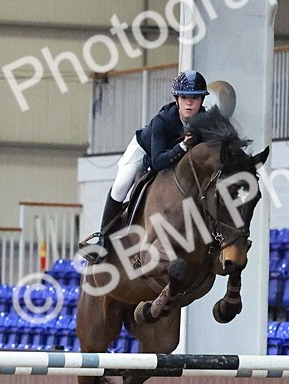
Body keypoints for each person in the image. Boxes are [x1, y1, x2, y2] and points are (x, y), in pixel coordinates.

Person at [81, 69, 209, 249]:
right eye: (184, 97)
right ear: (176, 99)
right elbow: (158, 162)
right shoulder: (161, 121)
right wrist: (183, 146)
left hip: (174, 155)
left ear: (201, 100)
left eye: (194, 98)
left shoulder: (206, 121)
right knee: (120, 185)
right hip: (145, 150)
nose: (189, 103)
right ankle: (103, 238)